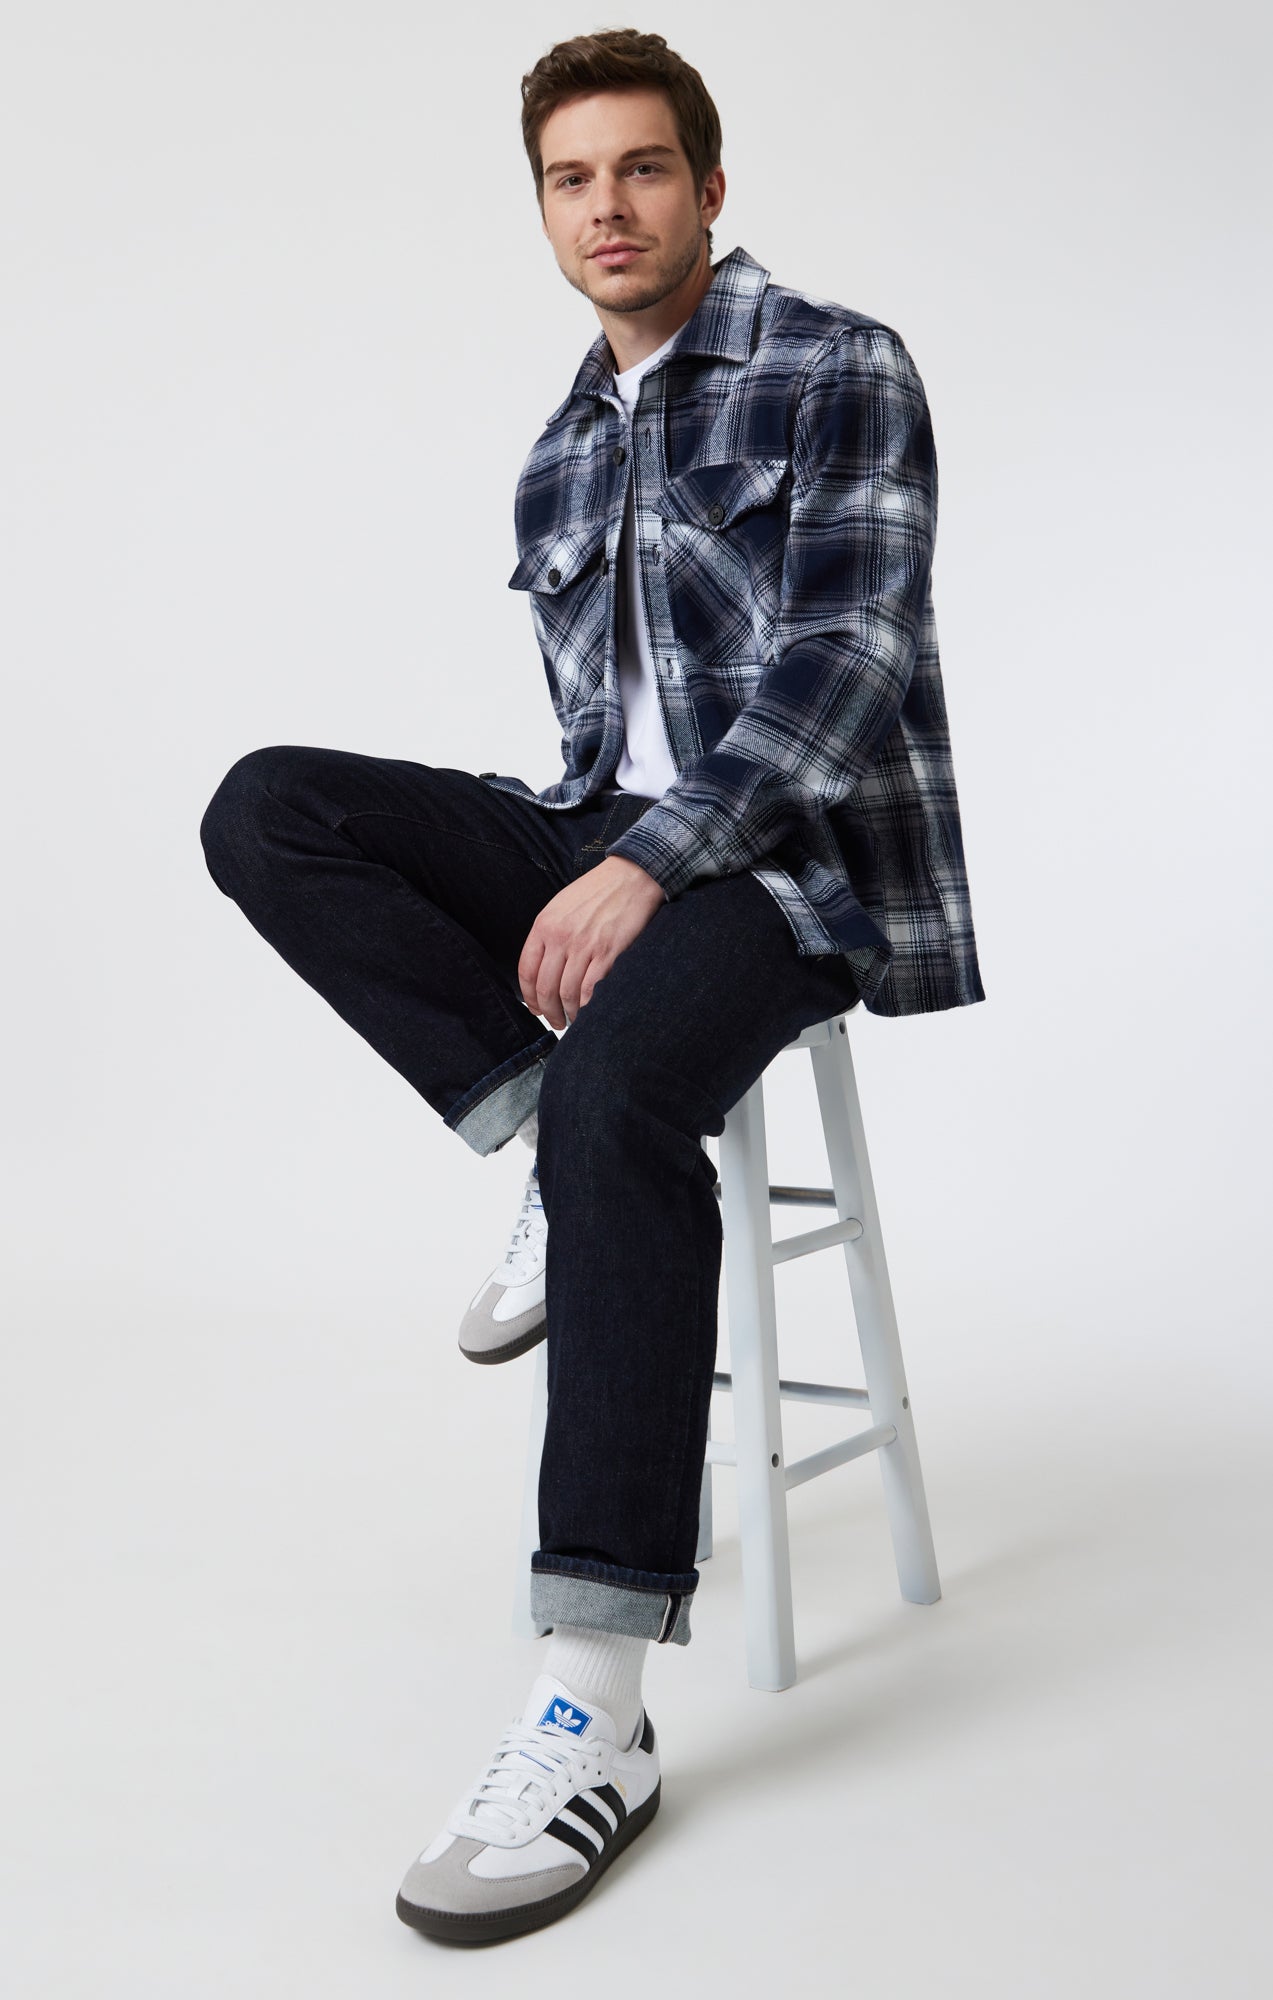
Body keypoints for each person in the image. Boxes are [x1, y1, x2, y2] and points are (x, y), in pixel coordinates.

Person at [198, 26, 984, 1947]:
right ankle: (542, 1129)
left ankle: (591, 1709)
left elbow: (847, 666)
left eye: (640, 169)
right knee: (270, 805)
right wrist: (595, 856)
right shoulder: (561, 443)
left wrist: (649, 867)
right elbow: (592, 743)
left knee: (634, 1088)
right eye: (570, 178)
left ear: (707, 186)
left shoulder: (836, 364)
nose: (606, 207)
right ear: (542, 208)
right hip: (602, 830)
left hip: (786, 862)